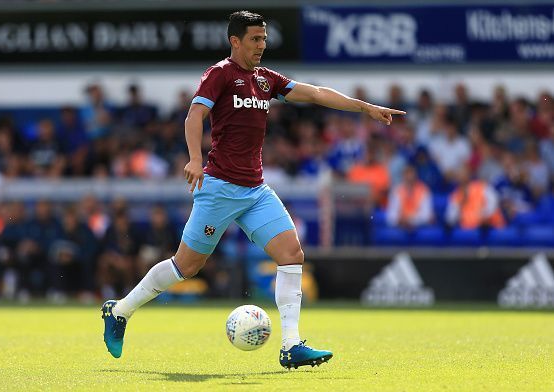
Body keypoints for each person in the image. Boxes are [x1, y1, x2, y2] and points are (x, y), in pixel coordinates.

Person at [101, 10, 405, 369]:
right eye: (255, 39)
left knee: (292, 254)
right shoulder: (220, 74)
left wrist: (364, 107)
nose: (262, 45)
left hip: (255, 190)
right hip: (218, 187)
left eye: (264, 38)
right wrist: (195, 159)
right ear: (235, 41)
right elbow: (194, 116)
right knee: (187, 266)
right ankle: (120, 311)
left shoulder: (265, 79)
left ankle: (291, 345)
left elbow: (316, 92)